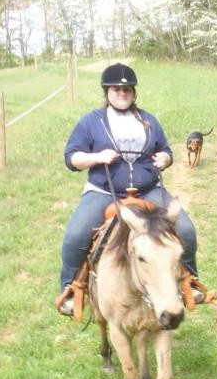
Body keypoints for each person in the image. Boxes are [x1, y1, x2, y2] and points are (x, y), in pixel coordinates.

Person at [56, 63, 205, 316]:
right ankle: (72, 289)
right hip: (104, 191)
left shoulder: (149, 121)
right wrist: (97, 157)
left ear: (134, 92)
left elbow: (166, 150)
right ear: (107, 92)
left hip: (148, 190)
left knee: (186, 230)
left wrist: (165, 160)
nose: (122, 93)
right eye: (116, 89)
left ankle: (187, 280)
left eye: (127, 89)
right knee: (75, 234)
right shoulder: (92, 122)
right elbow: (72, 158)